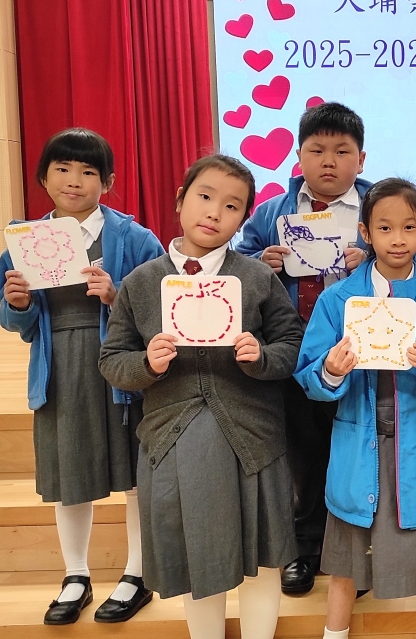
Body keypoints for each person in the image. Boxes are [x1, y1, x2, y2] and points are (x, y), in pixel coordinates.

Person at [99, 155, 302, 639]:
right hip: (172, 439)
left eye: (231, 206)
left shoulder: (257, 277)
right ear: (180, 200)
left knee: (264, 559)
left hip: (254, 439)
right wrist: (147, 363)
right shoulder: (141, 282)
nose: (214, 212)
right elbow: (112, 359)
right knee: (197, 559)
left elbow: (292, 344)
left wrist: (261, 356)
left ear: (244, 218)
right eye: (205, 197)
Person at [294, 178, 416, 639]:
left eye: (409, 227)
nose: (398, 239)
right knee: (345, 565)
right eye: (384, 228)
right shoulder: (338, 300)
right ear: (365, 232)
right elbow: (308, 375)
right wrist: (331, 370)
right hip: (360, 449)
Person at [0, 128, 163, 625]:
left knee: (136, 472)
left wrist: (117, 296)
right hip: (60, 368)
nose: (74, 180)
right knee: (69, 474)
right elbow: (15, 322)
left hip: (123, 365)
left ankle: (137, 573)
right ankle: (76, 575)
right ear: (43, 177)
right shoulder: (22, 242)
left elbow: (160, 305)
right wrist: (17, 304)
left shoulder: (135, 238)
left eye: (88, 171)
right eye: (62, 169)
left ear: (107, 182)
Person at [234, 102, 372, 595]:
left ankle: (358, 551)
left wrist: (370, 255)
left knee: (357, 448)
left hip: (361, 349)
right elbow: (238, 260)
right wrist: (260, 261)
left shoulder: (377, 205)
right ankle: (305, 547)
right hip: (296, 348)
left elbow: (412, 251)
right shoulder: (275, 211)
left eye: (342, 151)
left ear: (361, 158)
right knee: (303, 449)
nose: (328, 161)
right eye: (317, 150)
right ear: (298, 155)